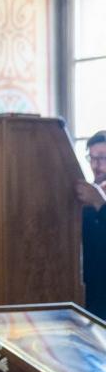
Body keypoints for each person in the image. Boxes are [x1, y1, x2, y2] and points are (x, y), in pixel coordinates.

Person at [76, 131, 106, 318]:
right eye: (92, 158)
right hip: (88, 294)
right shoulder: (87, 196)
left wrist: (100, 204)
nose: (96, 165)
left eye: (102, 158)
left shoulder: (95, 198)